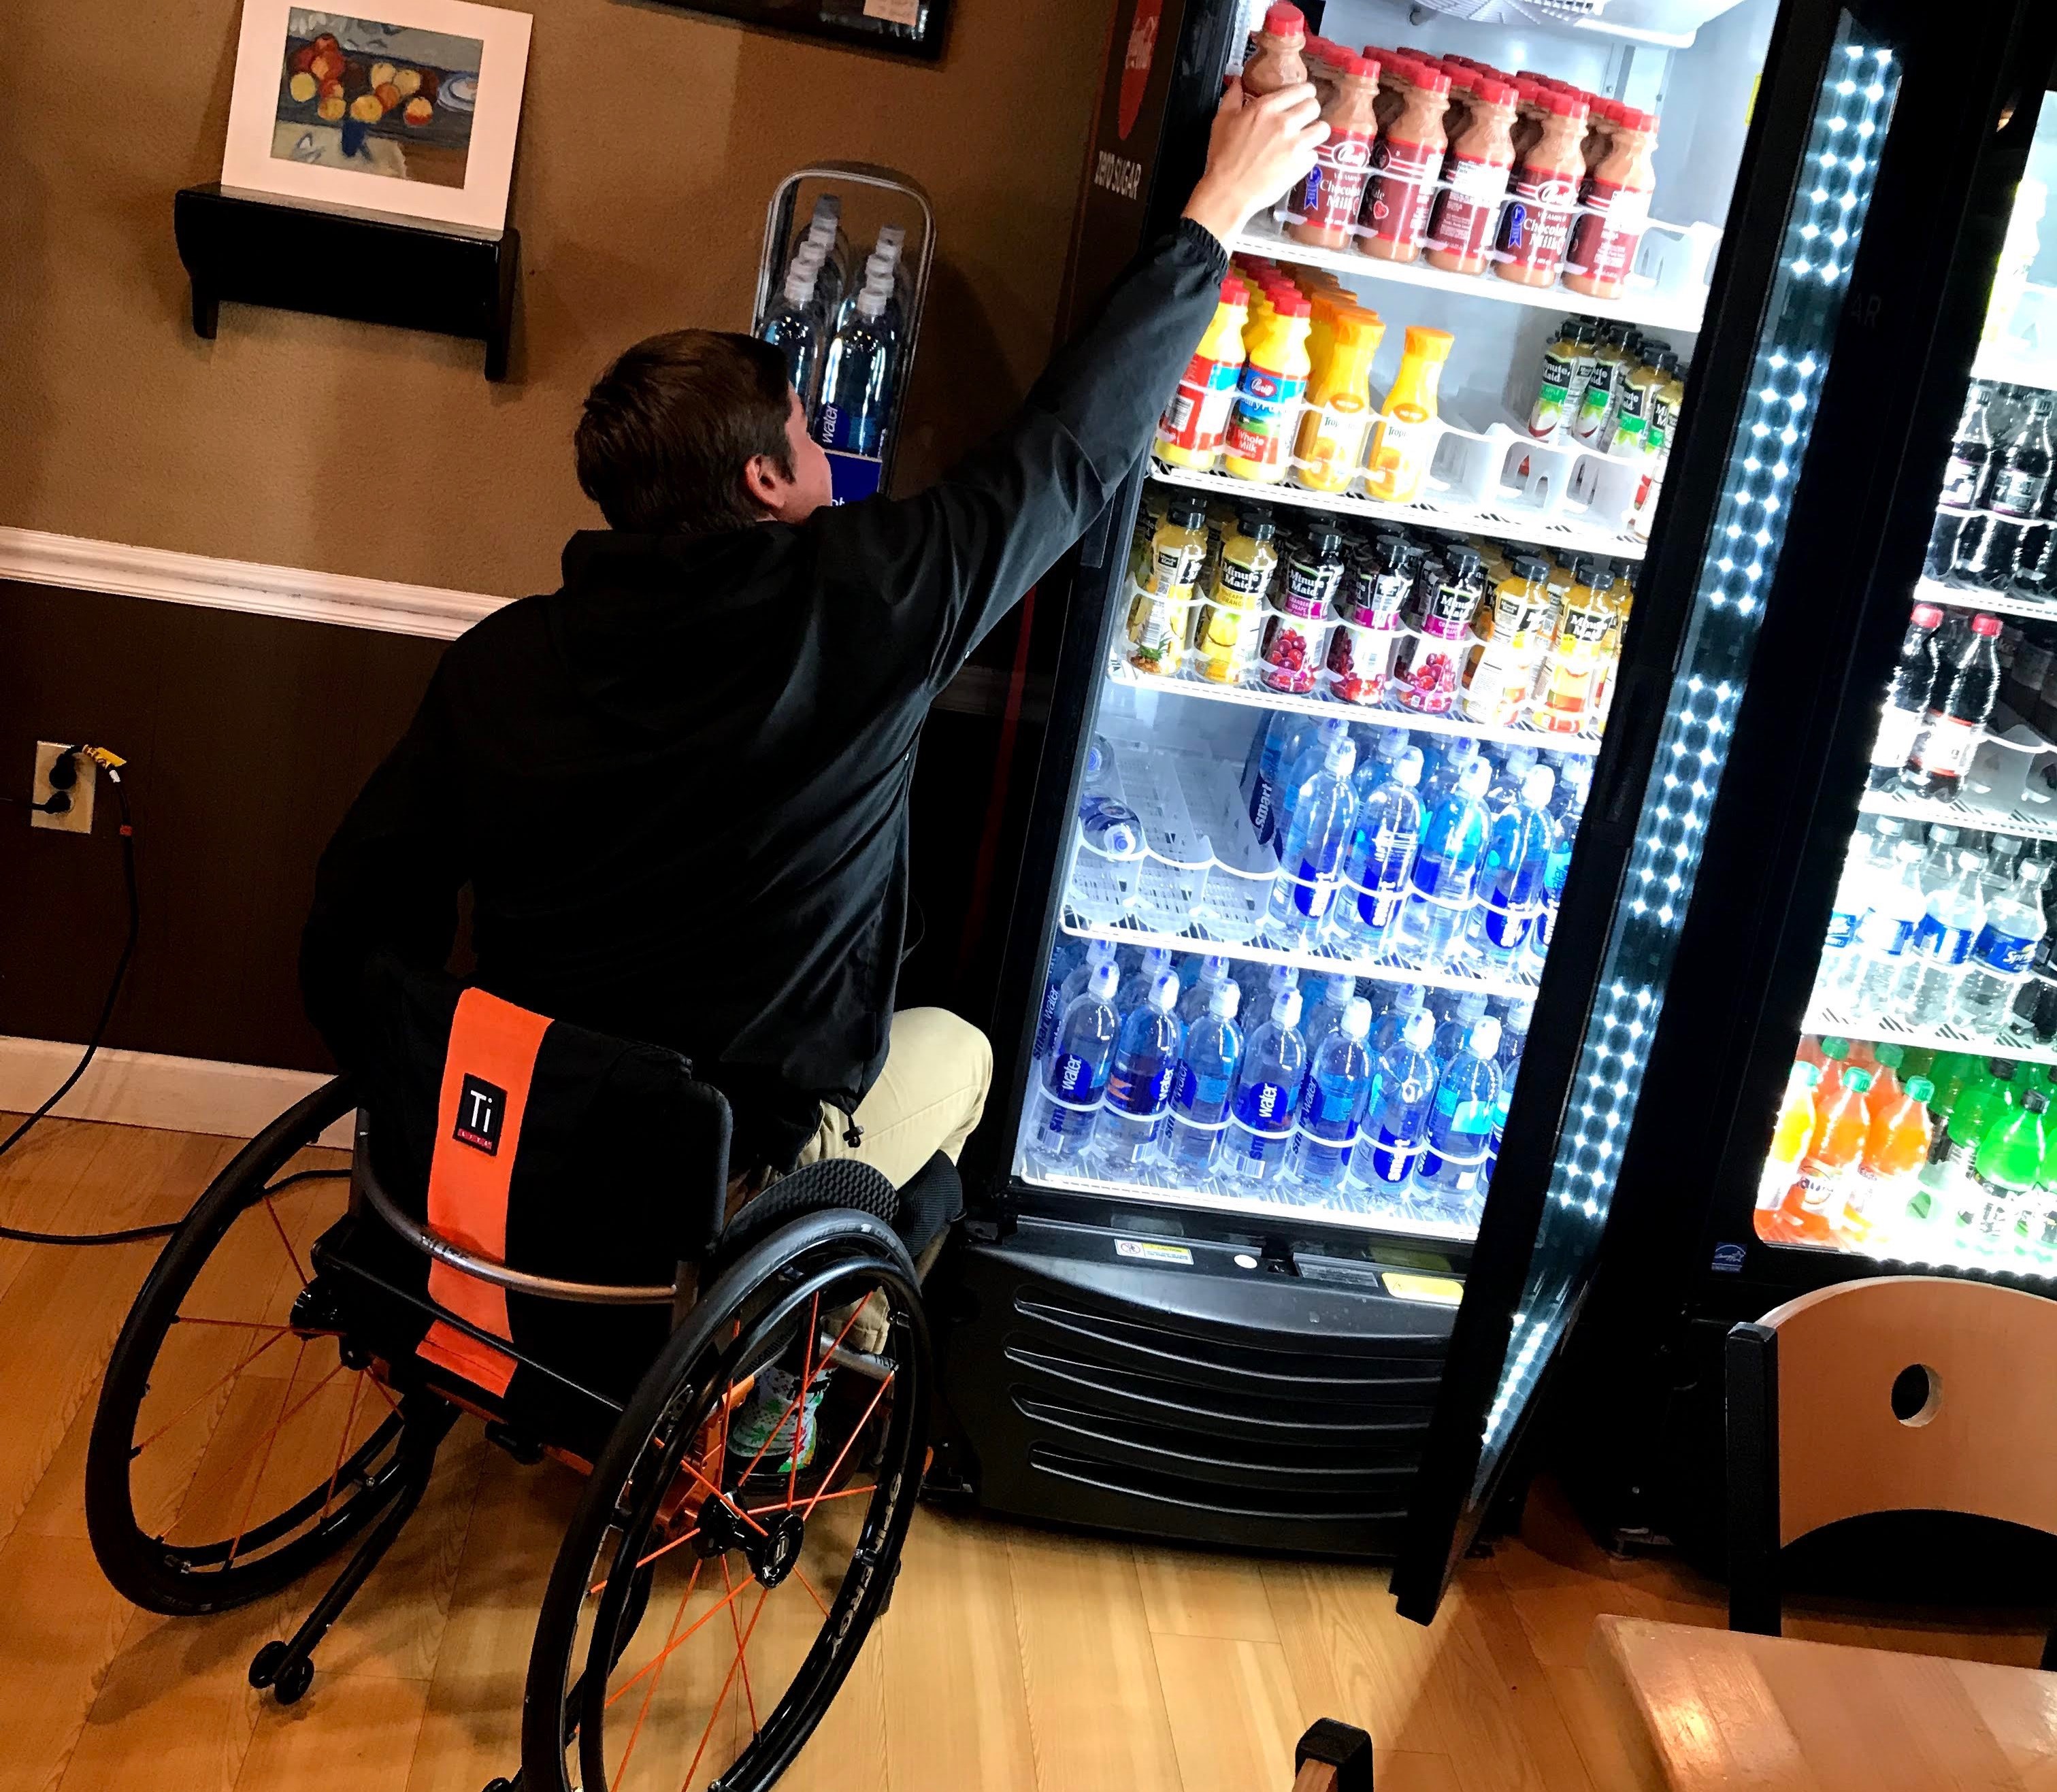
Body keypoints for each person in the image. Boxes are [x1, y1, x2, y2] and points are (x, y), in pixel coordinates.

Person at [301, 80, 1326, 1263]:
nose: (820, 453)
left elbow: (358, 918)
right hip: (718, 1177)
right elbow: (1068, 452)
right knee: (960, 1056)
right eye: (804, 432)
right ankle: (811, 1350)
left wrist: (432, 1064)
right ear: (764, 483)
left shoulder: (499, 662)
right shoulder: (867, 600)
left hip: (516, 1146)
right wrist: (1216, 215)